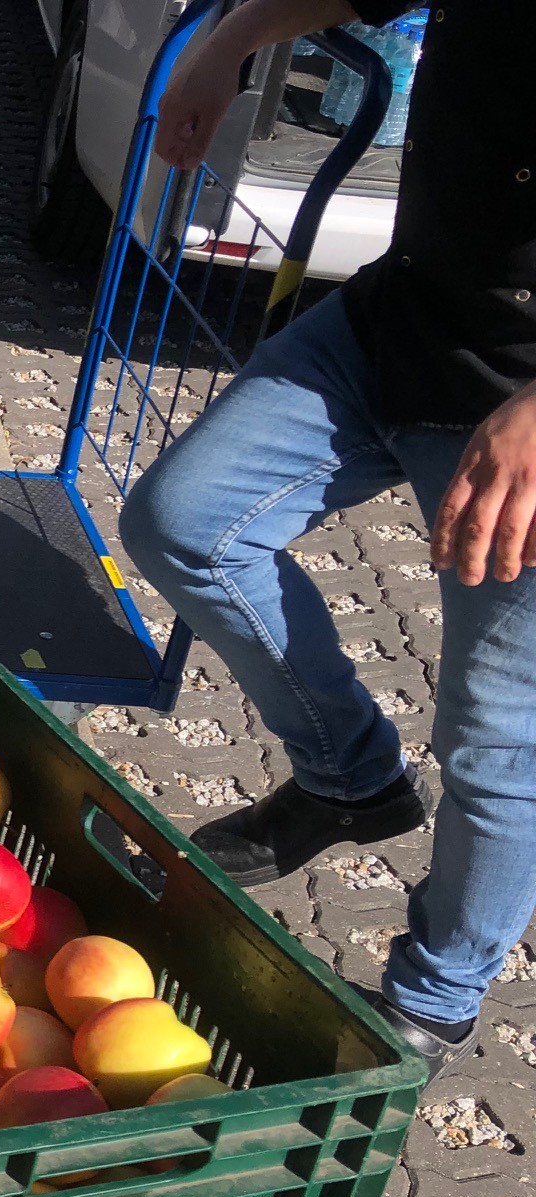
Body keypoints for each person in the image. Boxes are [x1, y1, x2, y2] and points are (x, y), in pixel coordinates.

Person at [121, 0, 536, 1075]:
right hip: (407, 321)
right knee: (186, 520)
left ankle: (432, 1005)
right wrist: (228, 44)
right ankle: (350, 778)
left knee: (497, 742)